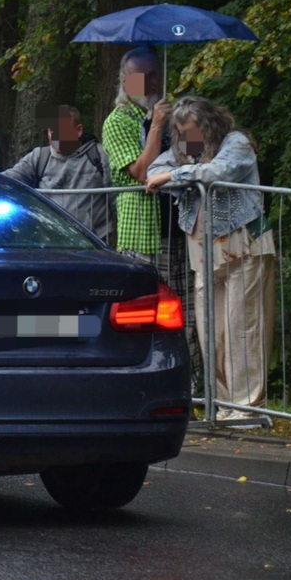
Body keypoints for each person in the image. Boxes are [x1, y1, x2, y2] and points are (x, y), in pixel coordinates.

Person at [146, 95, 275, 424]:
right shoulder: (185, 152)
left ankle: (246, 408)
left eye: (193, 130)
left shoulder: (237, 142)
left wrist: (175, 176)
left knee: (242, 328)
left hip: (243, 243)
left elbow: (219, 171)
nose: (189, 138)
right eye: (181, 132)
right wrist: (175, 172)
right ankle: (222, 405)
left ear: (209, 124)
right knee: (212, 332)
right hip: (203, 251)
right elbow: (154, 169)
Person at [102, 47, 203, 392]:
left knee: (188, 312)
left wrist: (182, 125)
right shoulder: (118, 122)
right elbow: (141, 171)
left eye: (154, 74)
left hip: (180, 227)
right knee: (147, 313)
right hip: (143, 232)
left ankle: (189, 384)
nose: (149, 83)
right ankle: (142, 383)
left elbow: (197, 156)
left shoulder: (172, 113)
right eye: (140, 76)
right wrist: (157, 125)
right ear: (124, 81)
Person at [0, 105, 113, 243]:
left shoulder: (99, 156)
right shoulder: (39, 157)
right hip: (50, 239)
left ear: (78, 130)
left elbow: (116, 198)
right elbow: (8, 181)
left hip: (94, 241)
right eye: (51, 130)